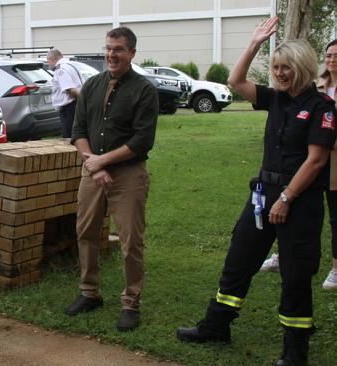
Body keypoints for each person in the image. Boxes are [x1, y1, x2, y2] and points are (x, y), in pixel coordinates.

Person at [176, 17, 336, 366]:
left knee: (295, 274)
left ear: (303, 68)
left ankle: (296, 350)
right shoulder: (276, 99)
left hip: (298, 200)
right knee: (239, 260)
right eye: (276, 68)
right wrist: (254, 45)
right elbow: (235, 82)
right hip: (263, 195)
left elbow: (316, 160)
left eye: (286, 68)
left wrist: (286, 198)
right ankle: (216, 326)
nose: (279, 74)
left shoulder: (322, 107)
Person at [66, 26, 158, 332]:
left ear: (131, 53)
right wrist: (96, 165)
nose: (111, 54)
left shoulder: (144, 90)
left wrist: (103, 161)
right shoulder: (91, 86)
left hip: (129, 174)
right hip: (93, 171)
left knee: (131, 241)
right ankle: (89, 292)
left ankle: (131, 303)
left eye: (118, 49)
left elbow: (143, 140)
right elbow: (78, 132)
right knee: (86, 233)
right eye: (108, 48)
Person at [260, 39, 337, 292]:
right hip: (308, 164)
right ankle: (283, 256)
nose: (332, 60)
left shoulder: (321, 103)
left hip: (325, 160)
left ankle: (335, 268)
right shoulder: (319, 87)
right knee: (295, 220)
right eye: (329, 55)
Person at [47, 48, 82, 138]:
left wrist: (85, 98)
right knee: (77, 134)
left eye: (48, 61)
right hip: (75, 106)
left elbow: (70, 90)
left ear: (52, 59)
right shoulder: (70, 65)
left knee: (69, 137)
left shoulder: (60, 70)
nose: (48, 64)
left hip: (70, 108)